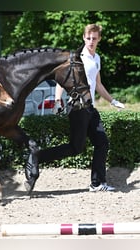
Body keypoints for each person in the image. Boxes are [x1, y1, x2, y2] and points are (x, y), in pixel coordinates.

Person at [28, 24, 125, 192]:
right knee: (75, 148)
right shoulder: (76, 58)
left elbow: (98, 84)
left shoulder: (97, 58)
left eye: (94, 38)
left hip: (91, 108)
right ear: (83, 38)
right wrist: (58, 100)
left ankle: (97, 183)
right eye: (88, 38)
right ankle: (37, 156)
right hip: (78, 108)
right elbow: (62, 80)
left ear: (99, 39)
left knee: (102, 142)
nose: (91, 41)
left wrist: (113, 101)